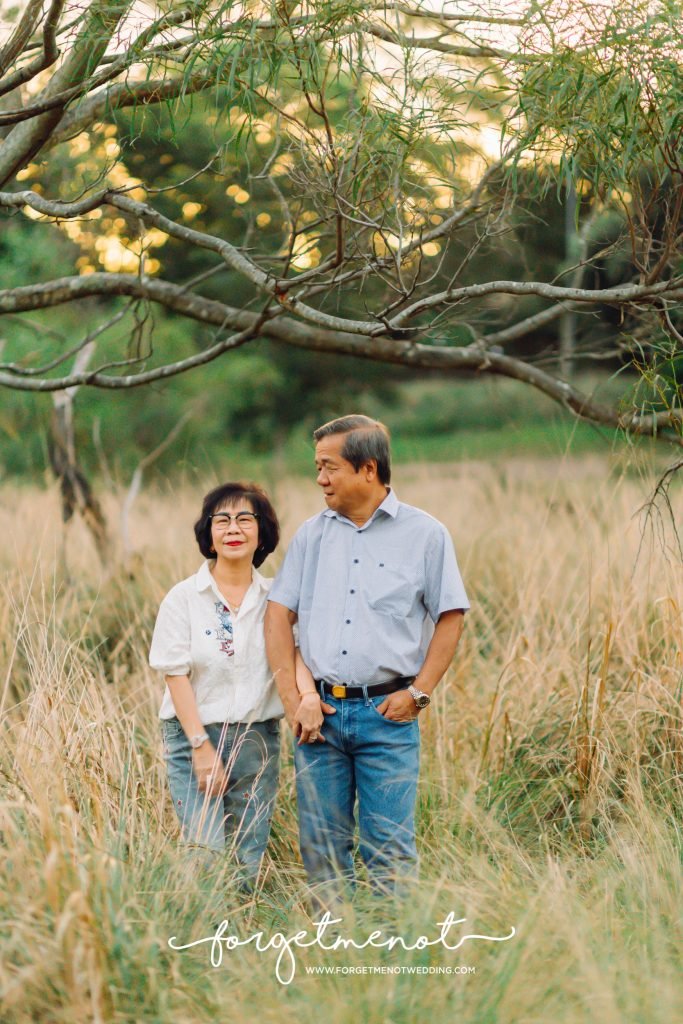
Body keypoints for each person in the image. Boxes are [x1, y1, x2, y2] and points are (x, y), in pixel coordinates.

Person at [265, 415, 469, 903]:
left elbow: (451, 615)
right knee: (321, 848)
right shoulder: (312, 536)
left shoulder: (426, 535)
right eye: (317, 467)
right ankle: (334, 954)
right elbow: (278, 617)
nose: (320, 479)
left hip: (389, 718)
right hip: (320, 718)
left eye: (329, 467)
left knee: (390, 850)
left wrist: (418, 694)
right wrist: (295, 701)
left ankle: (390, 956)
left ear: (368, 468)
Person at [149, 481, 313, 889]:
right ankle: (206, 935)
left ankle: (240, 940)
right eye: (221, 520)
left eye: (245, 519)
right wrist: (200, 747)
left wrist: (307, 696)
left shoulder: (277, 598)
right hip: (193, 737)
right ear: (208, 533)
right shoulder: (183, 598)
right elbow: (175, 674)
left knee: (247, 854)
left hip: (256, 737)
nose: (233, 528)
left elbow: (295, 659)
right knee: (206, 853)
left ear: (262, 531)